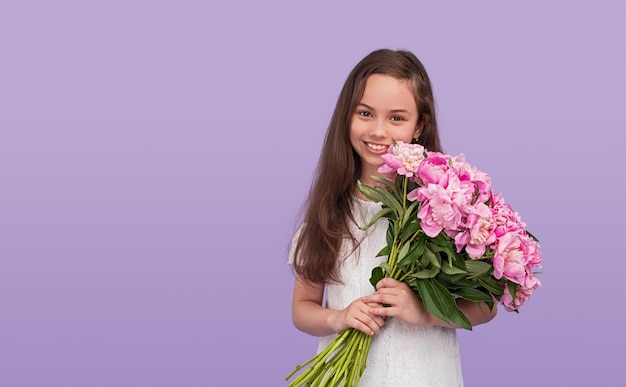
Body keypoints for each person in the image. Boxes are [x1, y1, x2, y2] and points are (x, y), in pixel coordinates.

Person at [288, 48, 497, 386]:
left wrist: (425, 312)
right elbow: (303, 308)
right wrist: (339, 318)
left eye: (397, 118)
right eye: (365, 113)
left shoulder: (445, 212)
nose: (379, 131)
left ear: (419, 126)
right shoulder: (330, 215)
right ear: (347, 115)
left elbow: (486, 306)